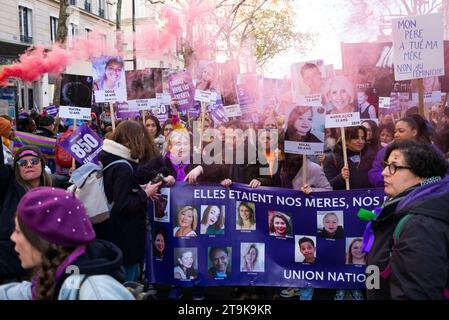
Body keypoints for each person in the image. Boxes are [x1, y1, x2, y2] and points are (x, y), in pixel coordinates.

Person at [0, 187, 134, 300]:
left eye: (18, 231)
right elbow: (20, 293)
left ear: (41, 238)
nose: (12, 238)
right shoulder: (57, 276)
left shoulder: (95, 292)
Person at [364, 140, 448, 299]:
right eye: (386, 165)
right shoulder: (394, 207)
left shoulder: (422, 224)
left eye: (394, 167)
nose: (384, 173)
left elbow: (417, 292)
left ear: (421, 175)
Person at [95, 120, 161, 282]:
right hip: (124, 236)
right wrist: (145, 194)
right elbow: (123, 204)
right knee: (127, 283)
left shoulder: (109, 157)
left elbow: (116, 191)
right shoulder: (124, 167)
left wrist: (139, 189)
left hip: (109, 231)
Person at [0, 145, 52, 282]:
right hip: (9, 268)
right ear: (17, 169)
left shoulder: (55, 192)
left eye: (34, 161)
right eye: (23, 163)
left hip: (43, 271)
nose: (29, 165)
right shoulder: (8, 186)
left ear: (42, 165)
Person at [368, 114, 443, 187]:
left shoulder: (429, 151)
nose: (396, 135)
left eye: (401, 131)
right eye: (395, 132)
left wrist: (417, 184)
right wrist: (393, 177)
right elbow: (373, 175)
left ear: (414, 132)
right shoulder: (385, 151)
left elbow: (443, 173)